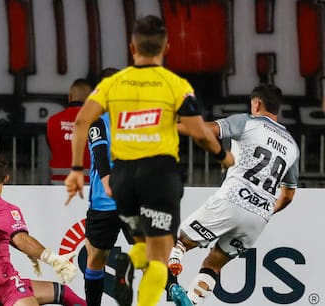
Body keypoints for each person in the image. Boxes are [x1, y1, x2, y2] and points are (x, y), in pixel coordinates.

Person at [65, 15, 233, 306]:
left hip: (122, 183)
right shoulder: (174, 84)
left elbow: (81, 122)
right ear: (167, 47)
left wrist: (76, 170)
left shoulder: (114, 85)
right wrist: (223, 155)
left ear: (132, 47)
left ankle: (129, 263)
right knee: (159, 254)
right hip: (157, 179)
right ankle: (133, 265)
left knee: (121, 250)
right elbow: (199, 133)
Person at [167, 84, 299, 305]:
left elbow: (206, 130)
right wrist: (266, 209)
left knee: (180, 241)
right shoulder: (292, 146)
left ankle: (174, 268)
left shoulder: (248, 122)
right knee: (213, 265)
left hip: (233, 199)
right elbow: (288, 195)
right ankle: (191, 300)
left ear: (256, 103)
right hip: (259, 217)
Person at [0, 153, 87, 306]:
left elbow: (1, 235)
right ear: (6, 178)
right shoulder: (3, 209)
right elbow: (21, 239)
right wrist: (53, 259)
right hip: (3, 284)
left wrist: (30, 253)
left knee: (64, 292)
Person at [80, 68, 134, 306]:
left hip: (104, 201)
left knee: (95, 259)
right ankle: (132, 269)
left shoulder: (98, 122)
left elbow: (100, 154)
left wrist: (106, 182)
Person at [46, 78, 92, 185]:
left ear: (70, 97)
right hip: (88, 187)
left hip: (58, 187)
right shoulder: (97, 122)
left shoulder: (52, 121)